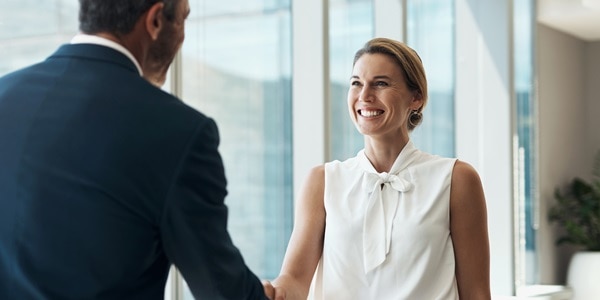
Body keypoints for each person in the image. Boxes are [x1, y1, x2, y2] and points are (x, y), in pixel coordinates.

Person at [0, 0, 274, 299]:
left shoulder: (5, 95)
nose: (183, 38)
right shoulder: (180, 132)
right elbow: (224, 293)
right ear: (156, 20)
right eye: (183, 20)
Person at [269, 37, 491, 299]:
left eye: (381, 83)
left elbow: (476, 293)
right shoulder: (324, 181)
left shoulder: (456, 179)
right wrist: (271, 293)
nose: (364, 96)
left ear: (416, 98)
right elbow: (294, 280)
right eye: (356, 83)